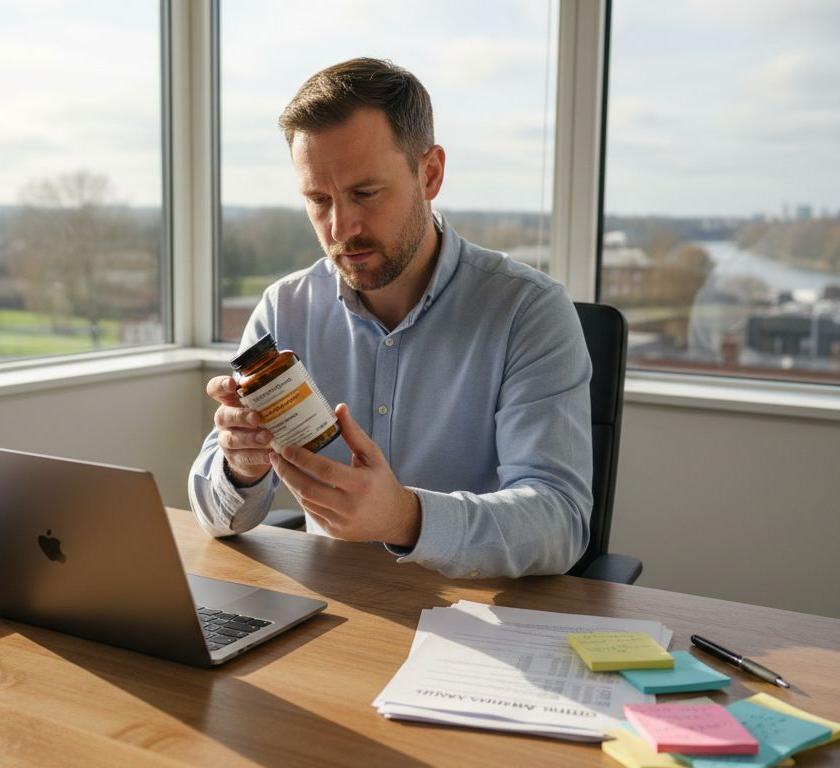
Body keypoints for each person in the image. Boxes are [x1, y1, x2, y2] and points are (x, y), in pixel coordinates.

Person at [187, 57, 593, 579]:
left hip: (481, 621)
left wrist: (406, 518)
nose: (341, 227)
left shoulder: (528, 311)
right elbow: (218, 518)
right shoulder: (284, 310)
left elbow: (560, 521)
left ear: (430, 174)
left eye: (365, 193)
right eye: (318, 199)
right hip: (337, 615)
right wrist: (239, 468)